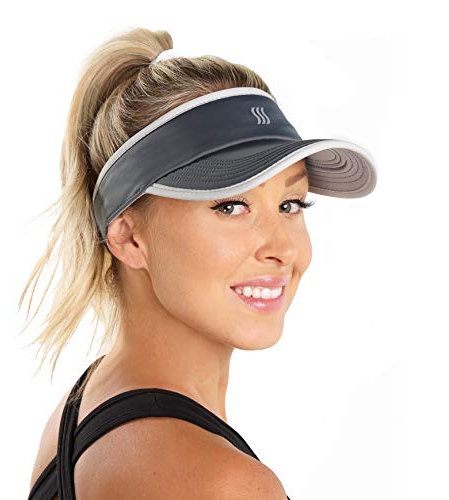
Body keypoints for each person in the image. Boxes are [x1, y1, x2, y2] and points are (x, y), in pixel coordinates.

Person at [23, 27, 377, 500]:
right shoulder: (221, 483)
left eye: (291, 204)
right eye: (231, 206)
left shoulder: (77, 414)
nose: (283, 248)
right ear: (129, 237)